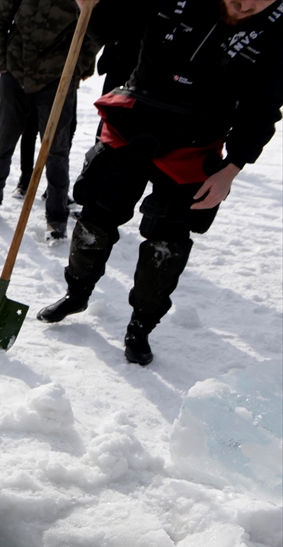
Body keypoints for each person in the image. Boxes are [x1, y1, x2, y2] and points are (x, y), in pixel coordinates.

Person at [38, 0, 283, 366]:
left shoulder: (277, 34)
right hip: (132, 124)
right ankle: (77, 292)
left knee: (167, 243)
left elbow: (263, 108)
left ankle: (141, 326)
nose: (245, 4)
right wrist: (93, 6)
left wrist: (230, 169)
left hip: (196, 143)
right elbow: (110, 20)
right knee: (97, 217)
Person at [0, 0, 98, 243]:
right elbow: (0, 18)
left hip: (58, 78)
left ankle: (56, 217)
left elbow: (94, 29)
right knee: (3, 142)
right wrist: (1, 60)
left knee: (56, 151)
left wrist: (77, 67)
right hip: (15, 71)